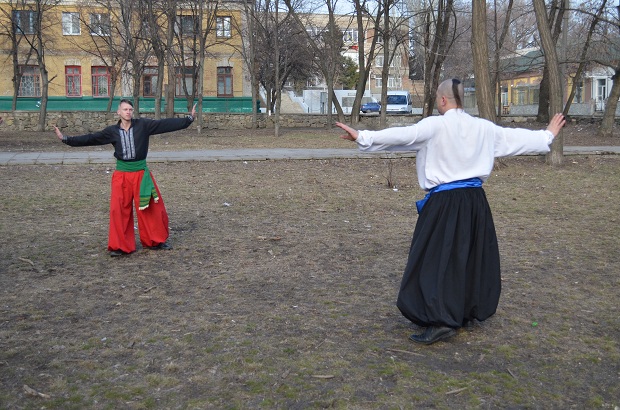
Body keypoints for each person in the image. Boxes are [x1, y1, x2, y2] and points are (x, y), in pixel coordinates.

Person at [336, 79, 565, 345]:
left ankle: (443, 319)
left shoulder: (435, 125)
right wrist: (547, 134)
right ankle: (463, 311)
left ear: (443, 100)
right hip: (475, 202)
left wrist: (362, 137)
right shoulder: (483, 128)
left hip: (445, 203)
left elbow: (402, 136)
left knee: (435, 260)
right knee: (467, 256)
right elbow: (515, 140)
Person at [54, 99, 197, 257]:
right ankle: (120, 246)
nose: (128, 112)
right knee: (119, 210)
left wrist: (188, 120)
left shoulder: (143, 126)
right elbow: (91, 138)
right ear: (119, 112)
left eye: (130, 109)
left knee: (150, 208)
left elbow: (164, 124)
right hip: (121, 175)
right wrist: (66, 139)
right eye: (125, 109)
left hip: (141, 174)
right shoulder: (112, 131)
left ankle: (154, 241)